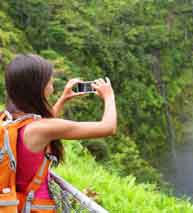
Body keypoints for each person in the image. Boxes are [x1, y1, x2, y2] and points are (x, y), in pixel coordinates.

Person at [4, 54, 117, 206]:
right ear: (38, 87)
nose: (52, 83)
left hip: (17, 202)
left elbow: (44, 126)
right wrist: (109, 96)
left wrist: (63, 99)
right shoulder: (42, 128)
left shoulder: (10, 117)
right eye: (49, 80)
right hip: (35, 206)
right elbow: (108, 127)